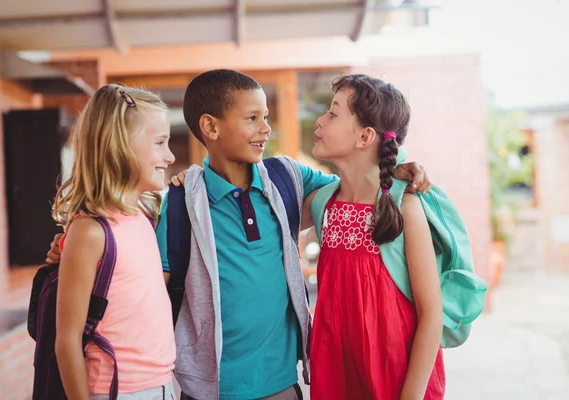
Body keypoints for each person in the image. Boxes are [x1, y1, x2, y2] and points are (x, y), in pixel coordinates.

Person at [159, 69, 431, 400]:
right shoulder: (180, 204)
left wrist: (396, 168)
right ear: (210, 127)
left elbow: (357, 186)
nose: (266, 128)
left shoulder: (287, 179)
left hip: (284, 386)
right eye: (252, 118)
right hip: (211, 390)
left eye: (266, 117)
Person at [306, 74, 445, 400]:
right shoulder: (322, 202)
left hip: (395, 378)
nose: (320, 121)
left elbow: (431, 314)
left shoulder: (403, 205)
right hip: (337, 374)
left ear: (365, 136)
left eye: (333, 113)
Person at [52, 84, 178, 399]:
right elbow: (67, 340)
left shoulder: (143, 216)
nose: (170, 155)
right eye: (160, 143)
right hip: (116, 391)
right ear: (120, 146)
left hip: (162, 385)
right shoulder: (91, 231)